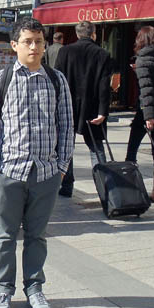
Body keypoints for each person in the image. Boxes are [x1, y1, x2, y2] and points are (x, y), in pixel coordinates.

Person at [0, 17, 74, 308]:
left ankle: (35, 288)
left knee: (38, 235)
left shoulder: (57, 80)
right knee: (5, 236)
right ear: (14, 46)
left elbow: (67, 126)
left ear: (45, 45)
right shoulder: (0, 80)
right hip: (10, 171)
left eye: (39, 41)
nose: (34, 47)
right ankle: (3, 290)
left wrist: (61, 167)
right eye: (27, 41)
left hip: (46, 173)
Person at [54, 21, 113, 197]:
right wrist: (103, 110)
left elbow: (57, 79)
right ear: (93, 34)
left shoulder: (65, 51)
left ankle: (66, 185)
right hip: (92, 107)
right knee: (96, 148)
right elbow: (104, 85)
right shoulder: (102, 54)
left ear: (77, 34)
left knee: (65, 147)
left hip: (68, 106)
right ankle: (105, 189)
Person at [124, 26, 154, 200]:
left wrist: (148, 116)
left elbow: (146, 89)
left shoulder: (142, 60)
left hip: (147, 110)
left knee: (132, 150)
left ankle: (130, 188)